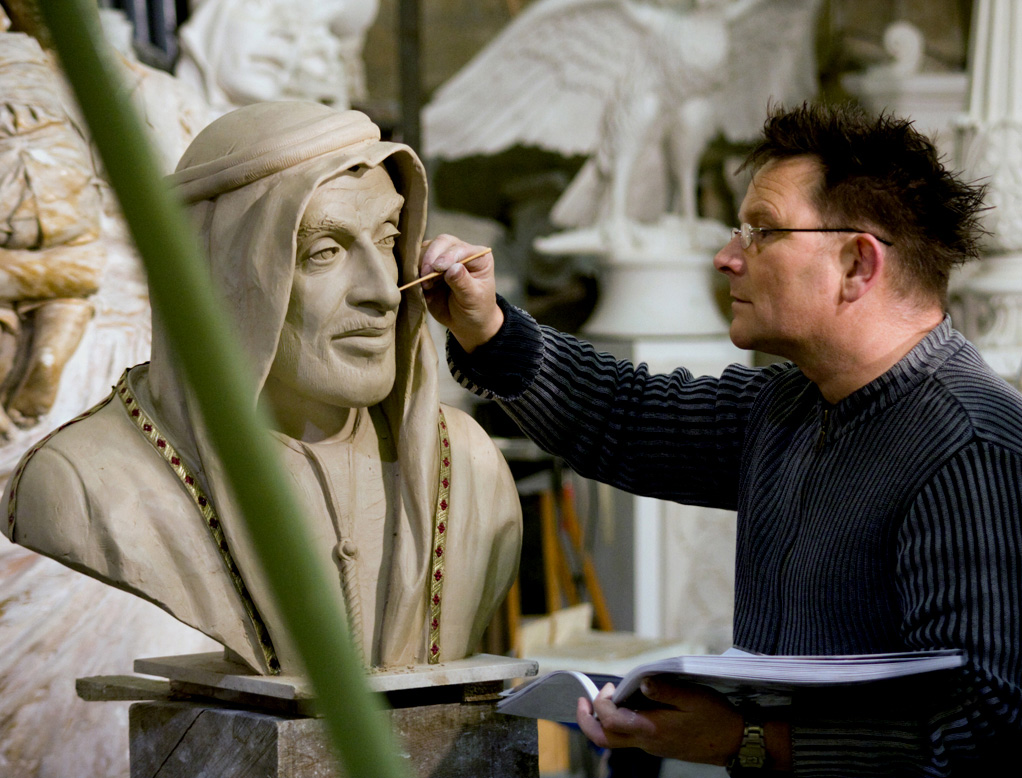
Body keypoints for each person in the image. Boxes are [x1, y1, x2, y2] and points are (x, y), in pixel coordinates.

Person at [419, 103, 1021, 775]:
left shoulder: (971, 448)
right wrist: (487, 328)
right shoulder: (791, 405)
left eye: (762, 232)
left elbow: (985, 727)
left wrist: (746, 737)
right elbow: (625, 415)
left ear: (857, 263)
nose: (727, 258)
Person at [2, 102, 522, 675]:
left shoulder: (466, 465)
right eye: (324, 253)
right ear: (222, 276)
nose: (383, 292)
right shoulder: (83, 482)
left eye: (387, 240)